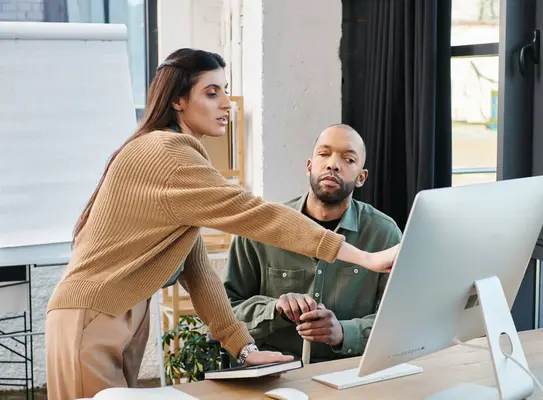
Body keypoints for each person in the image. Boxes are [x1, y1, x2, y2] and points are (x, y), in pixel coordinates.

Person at [44, 48, 399, 400]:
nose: (227, 104)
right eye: (212, 93)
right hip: (94, 316)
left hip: (116, 316)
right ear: (179, 99)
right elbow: (256, 213)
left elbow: (198, 272)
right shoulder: (167, 153)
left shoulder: (177, 158)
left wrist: (244, 350)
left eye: (225, 91)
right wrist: (366, 258)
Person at [222, 124, 401, 362]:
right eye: (324, 154)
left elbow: (398, 320)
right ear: (309, 166)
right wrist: (274, 310)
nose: (333, 165)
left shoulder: (384, 234)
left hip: (349, 375)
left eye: (348, 159)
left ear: (361, 177)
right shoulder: (261, 229)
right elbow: (224, 312)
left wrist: (343, 333)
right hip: (275, 373)